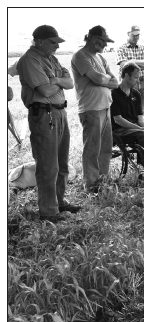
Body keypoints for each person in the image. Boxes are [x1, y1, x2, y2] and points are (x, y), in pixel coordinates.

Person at [16, 25, 81, 223]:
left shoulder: (50, 58)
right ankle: (48, 211)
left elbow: (70, 83)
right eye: (53, 43)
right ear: (40, 41)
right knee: (47, 165)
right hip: (43, 115)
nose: (56, 47)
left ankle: (59, 202)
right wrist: (58, 81)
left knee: (61, 163)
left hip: (59, 112)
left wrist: (56, 80)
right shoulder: (30, 59)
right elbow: (44, 90)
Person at [71, 25, 119, 193]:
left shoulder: (101, 58)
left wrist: (103, 79)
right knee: (92, 148)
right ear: (93, 38)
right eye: (103, 41)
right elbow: (98, 78)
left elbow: (116, 82)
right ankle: (91, 185)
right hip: (91, 108)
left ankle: (103, 180)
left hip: (106, 107)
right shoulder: (80, 56)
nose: (105, 45)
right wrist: (103, 79)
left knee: (106, 148)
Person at [116, 25, 144, 112]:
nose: (136, 37)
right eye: (134, 35)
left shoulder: (143, 48)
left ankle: (140, 125)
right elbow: (124, 66)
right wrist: (141, 63)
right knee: (128, 109)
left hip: (143, 82)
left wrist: (131, 61)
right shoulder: (121, 48)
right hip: (128, 82)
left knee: (141, 109)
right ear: (128, 34)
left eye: (138, 35)